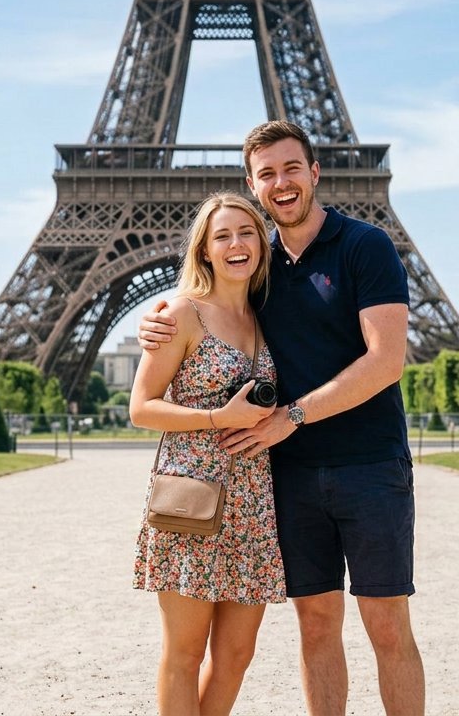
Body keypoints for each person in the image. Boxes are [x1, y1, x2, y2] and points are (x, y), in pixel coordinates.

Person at [139, 120, 425, 715]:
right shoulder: (260, 269)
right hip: (282, 478)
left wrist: (290, 417)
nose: (282, 182)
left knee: (387, 627)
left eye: (292, 168)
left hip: (367, 466)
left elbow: (387, 360)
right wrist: (157, 317)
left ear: (315, 172)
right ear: (253, 182)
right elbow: (202, 304)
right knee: (315, 626)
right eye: (267, 173)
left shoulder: (362, 247)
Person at [129, 191, 285, 716]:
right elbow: (142, 407)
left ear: (262, 246)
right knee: (185, 652)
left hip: (253, 505)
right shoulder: (181, 313)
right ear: (204, 250)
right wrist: (220, 418)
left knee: (238, 654)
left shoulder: (268, 319)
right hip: (192, 502)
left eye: (247, 232)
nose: (236, 243)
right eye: (223, 235)